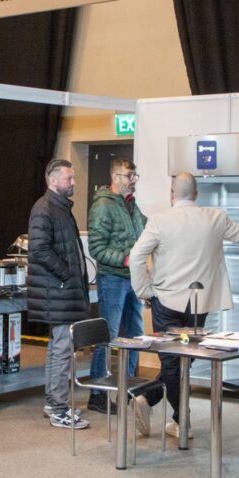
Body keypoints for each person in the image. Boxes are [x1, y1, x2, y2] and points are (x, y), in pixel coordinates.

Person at [129, 172, 239, 438]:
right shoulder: (215, 217)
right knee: (185, 359)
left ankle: (163, 408)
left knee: (172, 361)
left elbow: (136, 256)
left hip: (165, 300)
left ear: (172, 194)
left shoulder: (159, 221)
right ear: (197, 194)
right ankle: (173, 415)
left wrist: (145, 291)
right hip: (199, 303)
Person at [27, 159, 91, 429]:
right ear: (53, 180)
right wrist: (66, 274)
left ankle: (53, 402)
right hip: (58, 291)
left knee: (58, 348)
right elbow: (39, 249)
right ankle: (58, 408)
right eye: (69, 178)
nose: (73, 182)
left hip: (62, 290)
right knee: (62, 349)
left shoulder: (60, 207)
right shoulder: (45, 208)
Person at [85, 158, 145, 414]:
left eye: (135, 175)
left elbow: (145, 232)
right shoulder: (103, 206)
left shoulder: (131, 205)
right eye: (129, 176)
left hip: (133, 279)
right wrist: (125, 259)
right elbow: (96, 248)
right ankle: (97, 394)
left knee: (135, 336)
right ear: (115, 177)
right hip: (112, 279)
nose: (133, 180)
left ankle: (126, 389)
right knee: (107, 336)